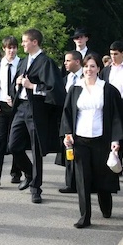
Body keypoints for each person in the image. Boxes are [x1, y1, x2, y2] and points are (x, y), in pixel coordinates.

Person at [60, 53, 123, 228]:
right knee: (82, 179)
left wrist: (115, 139)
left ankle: (106, 204)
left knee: (103, 176)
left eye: (93, 66)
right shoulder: (75, 88)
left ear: (99, 69)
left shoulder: (108, 89)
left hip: (102, 140)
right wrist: (67, 134)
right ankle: (85, 216)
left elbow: (117, 116)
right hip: (80, 140)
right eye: (87, 66)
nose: (89, 69)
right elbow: (67, 114)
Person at [8, 28, 65, 204]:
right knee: (13, 145)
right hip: (21, 108)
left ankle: (36, 188)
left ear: (34, 42)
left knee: (36, 149)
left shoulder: (46, 63)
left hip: (36, 111)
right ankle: (30, 173)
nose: (22, 44)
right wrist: (17, 83)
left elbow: (56, 91)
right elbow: (17, 84)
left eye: (25, 41)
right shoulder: (23, 62)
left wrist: (33, 86)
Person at [0, 36, 24, 186]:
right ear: (4, 49)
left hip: (17, 106)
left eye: (14, 47)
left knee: (16, 140)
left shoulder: (22, 64)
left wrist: (16, 97)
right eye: (9, 48)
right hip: (1, 106)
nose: (12, 50)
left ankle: (16, 173)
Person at [58, 50, 83, 194]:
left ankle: (82, 182)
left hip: (80, 120)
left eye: (68, 61)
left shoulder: (85, 78)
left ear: (77, 61)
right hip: (66, 120)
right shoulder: (66, 79)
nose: (65, 63)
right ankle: (70, 183)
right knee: (68, 150)